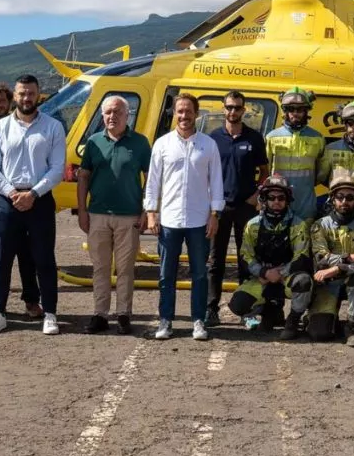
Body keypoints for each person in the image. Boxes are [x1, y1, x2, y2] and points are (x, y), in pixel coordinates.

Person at [0, 75, 67, 337]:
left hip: (40, 201)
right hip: (7, 201)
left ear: (38, 95)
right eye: (22, 93)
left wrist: (33, 193)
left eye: (31, 93)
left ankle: (50, 313)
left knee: (44, 259)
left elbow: (57, 169)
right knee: (1, 260)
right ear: (15, 96)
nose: (26, 98)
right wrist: (11, 192)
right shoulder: (0, 128)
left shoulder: (53, 127)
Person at [144, 94, 225, 341]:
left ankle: (198, 320)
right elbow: (153, 181)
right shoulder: (162, 144)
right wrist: (151, 212)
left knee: (199, 274)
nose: (184, 116)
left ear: (196, 114)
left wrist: (215, 214)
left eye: (188, 111)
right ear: (174, 113)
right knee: (166, 274)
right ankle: (165, 320)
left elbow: (217, 182)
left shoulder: (208, 145)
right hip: (169, 220)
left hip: (199, 220)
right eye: (180, 111)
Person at [77, 95, 151, 335]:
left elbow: (150, 178)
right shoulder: (93, 142)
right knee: (100, 267)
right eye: (108, 112)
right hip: (98, 215)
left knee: (125, 268)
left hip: (129, 216)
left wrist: (147, 211)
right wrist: (82, 210)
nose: (112, 116)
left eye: (117, 112)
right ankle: (100, 314)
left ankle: (123, 314)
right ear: (102, 116)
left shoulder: (140, 143)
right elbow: (84, 177)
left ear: (127, 115)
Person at [0, 83, 42, 320]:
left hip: (17, 198)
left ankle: (31, 299)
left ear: (10, 101)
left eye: (2, 100)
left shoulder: (19, 126)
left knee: (25, 251)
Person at [206, 90, 268, 327]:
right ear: (223, 108)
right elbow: (206, 173)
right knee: (215, 261)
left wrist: (256, 196)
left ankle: (246, 310)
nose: (233, 111)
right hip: (219, 208)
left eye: (238, 107)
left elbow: (264, 172)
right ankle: (211, 309)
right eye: (229, 107)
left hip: (246, 207)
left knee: (247, 259)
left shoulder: (254, 138)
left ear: (244, 110)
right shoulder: (212, 138)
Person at [227, 175, 313, 340]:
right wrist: (264, 272)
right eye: (271, 198)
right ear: (264, 199)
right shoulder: (252, 225)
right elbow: (245, 256)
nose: (276, 201)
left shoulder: (299, 225)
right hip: (262, 277)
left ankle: (293, 321)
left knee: (303, 282)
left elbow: (301, 256)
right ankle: (270, 313)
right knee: (239, 304)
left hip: (288, 276)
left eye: (281, 198)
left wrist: (280, 273)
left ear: (288, 200)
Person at [308, 173, 354, 347]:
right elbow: (322, 260)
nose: (344, 201)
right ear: (332, 199)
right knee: (319, 333)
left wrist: (336, 268)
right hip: (328, 283)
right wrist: (351, 258)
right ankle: (324, 318)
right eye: (340, 197)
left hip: (352, 279)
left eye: (350, 197)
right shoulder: (319, 225)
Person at [265, 87, 326, 223]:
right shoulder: (272, 137)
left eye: (300, 110)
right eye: (291, 109)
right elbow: (266, 171)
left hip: (306, 205)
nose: (295, 113)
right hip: (278, 203)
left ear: (306, 111)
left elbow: (321, 174)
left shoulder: (317, 138)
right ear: (285, 111)